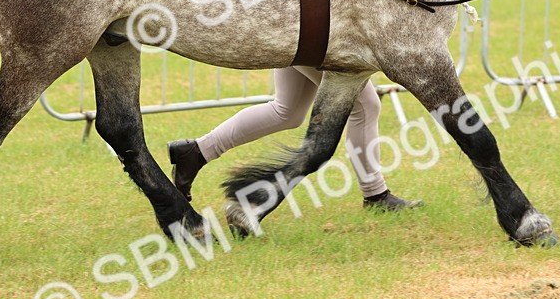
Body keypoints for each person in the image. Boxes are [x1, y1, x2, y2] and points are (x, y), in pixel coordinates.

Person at [167, 68, 423, 211]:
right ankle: (375, 194)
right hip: (310, 22)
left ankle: (196, 152)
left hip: (296, 16)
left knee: (286, 111)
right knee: (364, 104)